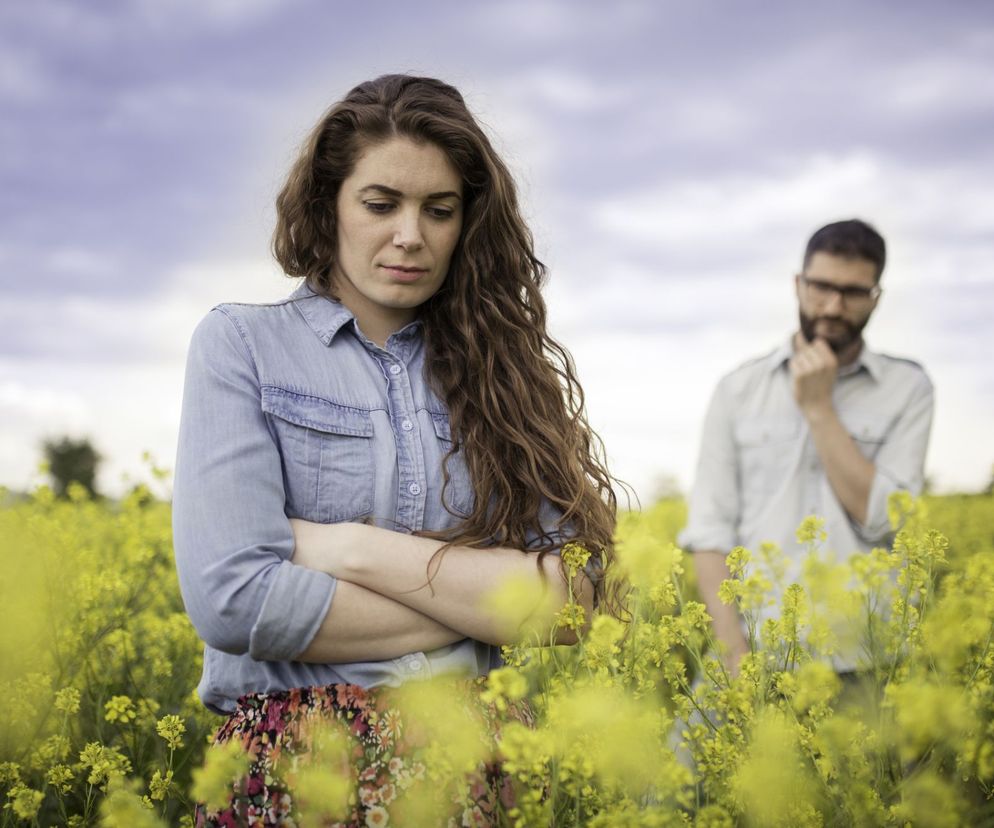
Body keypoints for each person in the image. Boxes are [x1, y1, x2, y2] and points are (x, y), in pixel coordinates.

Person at [172, 74, 616, 826]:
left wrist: (350, 551)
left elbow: (577, 599)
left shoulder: (503, 374)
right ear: (328, 206)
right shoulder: (242, 346)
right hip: (295, 760)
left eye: (438, 211)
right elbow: (234, 602)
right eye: (381, 204)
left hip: (478, 757)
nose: (410, 235)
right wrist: (488, 606)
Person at [679, 219, 933, 675]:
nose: (834, 306)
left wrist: (818, 408)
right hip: (755, 655)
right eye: (821, 287)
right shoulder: (738, 389)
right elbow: (710, 532)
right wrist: (735, 658)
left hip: (866, 662)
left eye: (854, 292)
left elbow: (883, 519)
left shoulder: (907, 387)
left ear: (876, 297)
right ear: (798, 284)